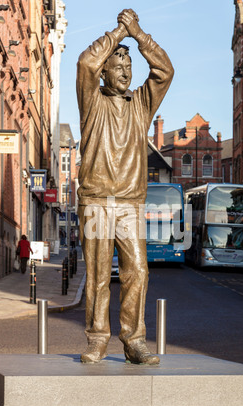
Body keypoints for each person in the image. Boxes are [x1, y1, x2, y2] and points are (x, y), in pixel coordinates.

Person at [76, 9, 174, 364]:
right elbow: (86, 64)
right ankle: (97, 338)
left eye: (129, 69)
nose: (125, 72)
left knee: (138, 272)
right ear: (105, 72)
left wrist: (139, 34)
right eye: (118, 67)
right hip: (96, 201)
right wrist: (119, 33)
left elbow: (164, 71)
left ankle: (134, 341)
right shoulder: (92, 102)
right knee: (99, 274)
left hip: (130, 204)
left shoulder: (141, 104)